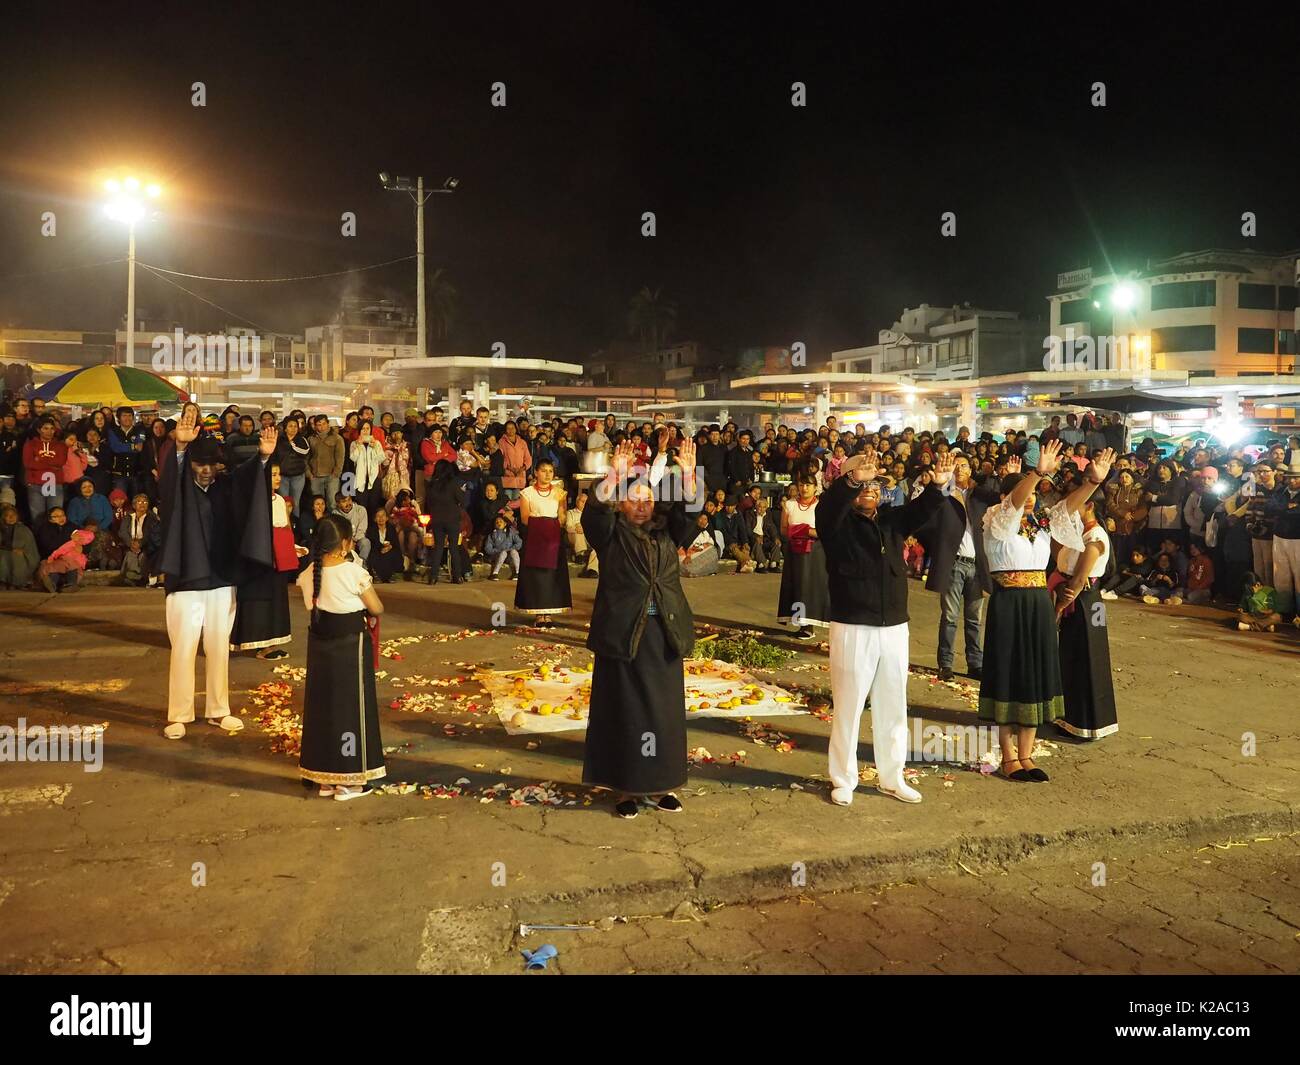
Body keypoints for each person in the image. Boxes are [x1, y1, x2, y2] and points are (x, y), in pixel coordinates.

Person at [820, 450, 951, 807]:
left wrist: (937, 488)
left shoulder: (892, 521)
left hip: (894, 626)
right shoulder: (836, 523)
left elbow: (921, 511)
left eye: (874, 485)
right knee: (848, 705)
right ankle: (842, 778)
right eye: (862, 485)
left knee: (893, 705)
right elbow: (830, 507)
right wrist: (851, 479)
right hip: (852, 626)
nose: (870, 489)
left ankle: (891, 777)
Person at [581, 438, 704, 818]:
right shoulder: (610, 534)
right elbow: (593, 515)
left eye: (647, 498)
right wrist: (614, 474)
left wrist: (686, 475)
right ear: (620, 502)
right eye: (632, 497)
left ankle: (662, 785)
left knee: (663, 714)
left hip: (663, 632)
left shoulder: (667, 533)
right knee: (625, 712)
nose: (640, 504)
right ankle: (625, 791)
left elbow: (691, 512)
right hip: (622, 633)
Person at [978, 441, 1114, 782]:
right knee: (1009, 675)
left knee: (1035, 675)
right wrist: (1037, 473)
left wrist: (1092, 483)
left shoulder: (1038, 525)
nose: (1030, 505)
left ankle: (1027, 755)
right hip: (1010, 603)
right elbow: (1015, 503)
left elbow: (1067, 509)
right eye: (1026, 499)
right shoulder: (996, 523)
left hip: (1038, 602)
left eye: (1035, 500)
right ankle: (1008, 757)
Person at [157, 410, 277, 740]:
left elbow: (248, 482)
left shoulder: (225, 485)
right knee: (183, 648)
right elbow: (170, 480)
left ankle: (218, 710)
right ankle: (180, 713)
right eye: (200, 464)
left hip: (222, 578)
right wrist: (180, 449)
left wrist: (263, 459)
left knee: (219, 647)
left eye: (212, 464)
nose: (207, 471)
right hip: (185, 581)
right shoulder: (179, 487)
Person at [296, 514, 386, 800]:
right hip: (350, 645)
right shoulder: (352, 572)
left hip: (320, 644)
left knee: (323, 709)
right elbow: (377, 607)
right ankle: (350, 780)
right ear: (346, 544)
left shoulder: (309, 572)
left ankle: (324, 778)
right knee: (351, 710)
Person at [921, 454, 998, 681]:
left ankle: (975, 663)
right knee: (950, 616)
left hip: (978, 566)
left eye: (963, 465)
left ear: (970, 469)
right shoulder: (946, 494)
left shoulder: (980, 496)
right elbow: (929, 511)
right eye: (955, 466)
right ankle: (945, 663)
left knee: (974, 619)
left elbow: (999, 497)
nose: (959, 469)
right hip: (955, 563)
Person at [1052, 491, 1117, 740]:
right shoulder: (1077, 533)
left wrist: (1058, 607)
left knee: (1088, 657)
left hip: (1086, 602)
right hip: (1080, 600)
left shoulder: (1095, 536)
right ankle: (1071, 718)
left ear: (1089, 506)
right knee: (1072, 657)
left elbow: (1079, 579)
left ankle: (1088, 723)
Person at [230, 461, 303, 661]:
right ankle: (259, 645)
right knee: (259, 602)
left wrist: (292, 548)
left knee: (277, 601)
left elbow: (286, 528)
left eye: (279, 474)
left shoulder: (280, 500)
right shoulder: (254, 500)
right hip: (260, 560)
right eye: (274, 475)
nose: (278, 478)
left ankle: (271, 644)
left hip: (279, 560)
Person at [516, 459, 571, 627]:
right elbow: (525, 518)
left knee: (552, 577)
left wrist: (559, 520)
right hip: (536, 539)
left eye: (550, 471)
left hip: (553, 540)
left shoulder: (560, 493)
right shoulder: (527, 493)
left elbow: (562, 517)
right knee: (536, 577)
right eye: (544, 471)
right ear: (536, 473)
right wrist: (544, 523)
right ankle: (539, 613)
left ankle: (549, 612)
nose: (547, 474)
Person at [778, 477, 830, 640]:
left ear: (815, 487)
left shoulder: (821, 506)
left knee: (811, 587)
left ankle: (810, 624)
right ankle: (800, 623)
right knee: (796, 585)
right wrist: (795, 532)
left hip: (814, 553)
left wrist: (806, 531)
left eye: (808, 485)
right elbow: (784, 529)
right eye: (801, 485)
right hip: (794, 551)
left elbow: (826, 531)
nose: (804, 488)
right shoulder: (790, 505)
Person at [423, 459, 467, 584]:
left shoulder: (431, 485)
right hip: (452, 519)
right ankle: (457, 576)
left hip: (437, 519)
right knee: (454, 548)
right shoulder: (453, 483)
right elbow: (463, 500)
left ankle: (433, 577)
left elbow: (429, 503)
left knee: (438, 548)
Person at [23, 417, 67, 521]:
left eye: (52, 428)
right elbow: (28, 463)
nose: (49, 431)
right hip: (36, 484)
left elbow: (60, 462)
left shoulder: (60, 446)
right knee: (38, 516)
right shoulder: (30, 445)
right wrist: (51, 465)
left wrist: (39, 459)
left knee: (56, 515)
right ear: (39, 430)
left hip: (55, 483)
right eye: (45, 428)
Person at [307, 415, 344, 508]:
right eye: (319, 424)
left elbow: (340, 457)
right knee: (317, 504)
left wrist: (336, 473)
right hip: (315, 476)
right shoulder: (311, 439)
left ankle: (332, 522)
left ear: (328, 424)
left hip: (331, 476)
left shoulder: (337, 438)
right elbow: (306, 457)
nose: (322, 426)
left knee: (332, 503)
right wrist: (308, 473)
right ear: (315, 426)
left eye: (324, 424)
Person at [0, 503, 39, 589]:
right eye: (7, 515)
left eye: (13, 515)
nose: (11, 518)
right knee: (4, 556)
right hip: (4, 552)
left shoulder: (24, 530)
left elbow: (31, 549)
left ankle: (16, 582)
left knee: (16, 556)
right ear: (3, 517)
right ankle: (3, 581)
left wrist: (24, 551)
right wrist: (10, 549)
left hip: (21, 556)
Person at [367, 506, 405, 583]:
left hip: (389, 550)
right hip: (377, 550)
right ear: (375, 519)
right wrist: (381, 548)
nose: (381, 518)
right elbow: (373, 543)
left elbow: (395, 543)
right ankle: (378, 576)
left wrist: (389, 547)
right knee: (374, 555)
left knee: (394, 553)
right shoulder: (371, 529)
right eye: (378, 516)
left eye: (383, 516)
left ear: (387, 518)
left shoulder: (391, 528)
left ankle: (390, 576)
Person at [332, 492, 370, 561]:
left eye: (349, 500)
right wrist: (349, 541)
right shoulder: (335, 514)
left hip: (358, 538)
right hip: (344, 540)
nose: (348, 503)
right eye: (344, 501)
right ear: (338, 504)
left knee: (365, 542)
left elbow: (362, 529)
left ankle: (361, 564)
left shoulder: (361, 510)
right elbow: (339, 532)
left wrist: (354, 541)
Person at [485, 514, 522, 579]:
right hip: (497, 556)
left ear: (505, 524)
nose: (499, 523)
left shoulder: (511, 532)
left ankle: (517, 572)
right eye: (497, 522)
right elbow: (488, 548)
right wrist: (499, 551)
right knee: (503, 553)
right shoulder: (492, 535)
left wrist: (510, 549)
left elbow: (519, 542)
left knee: (514, 552)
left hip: (509, 556)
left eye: (500, 521)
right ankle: (495, 573)